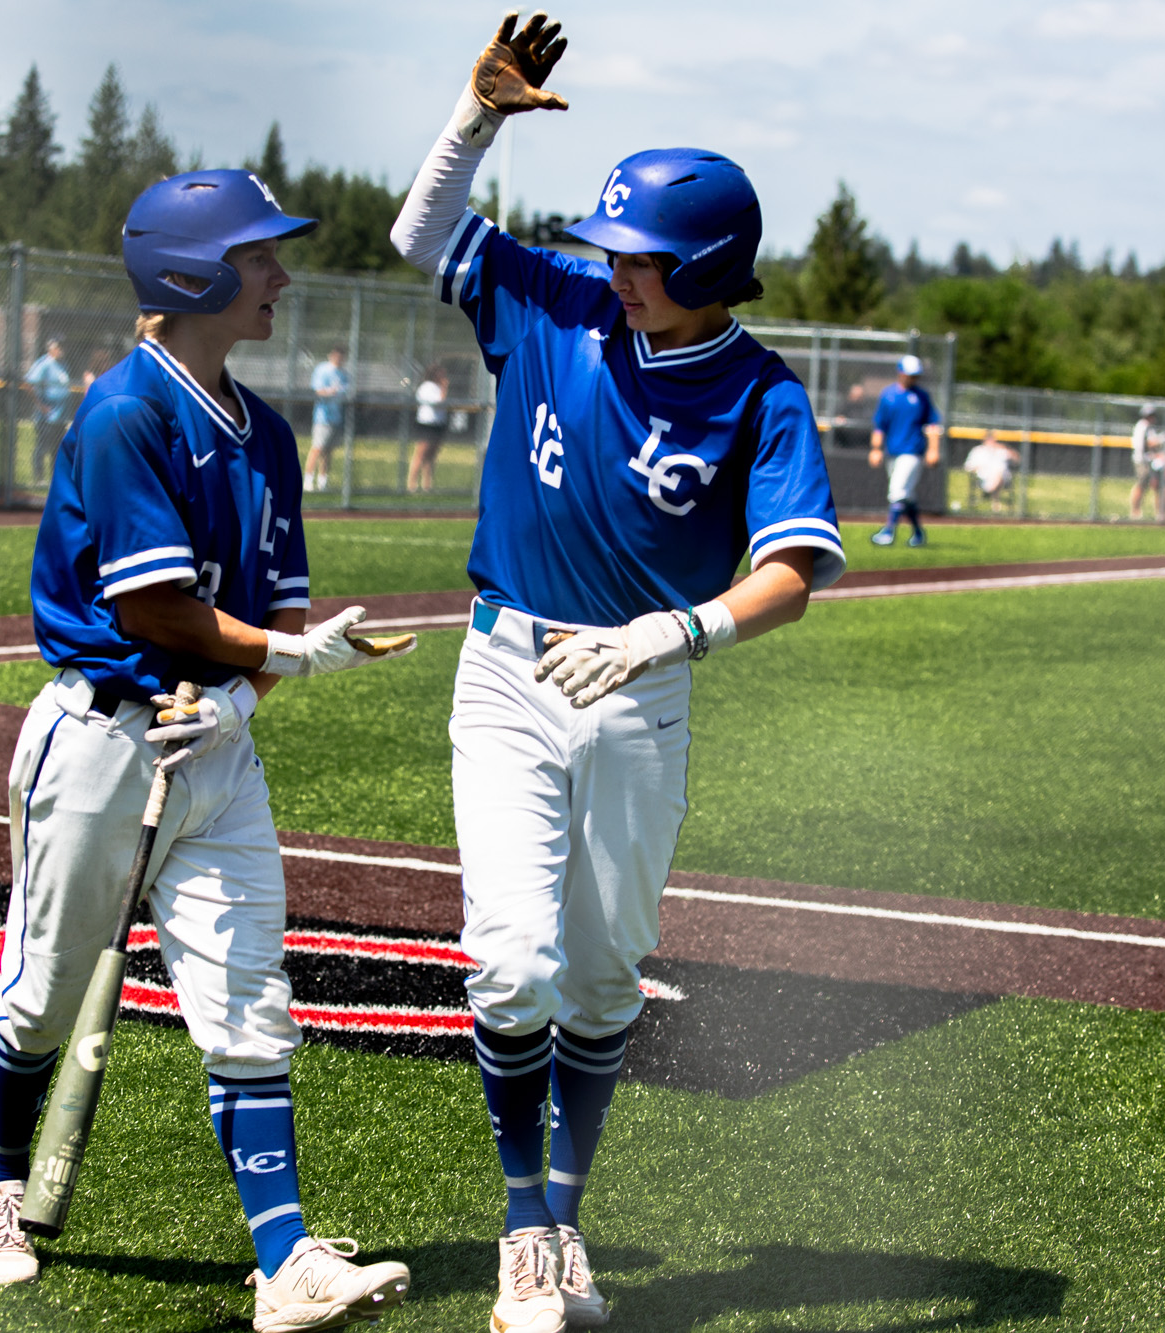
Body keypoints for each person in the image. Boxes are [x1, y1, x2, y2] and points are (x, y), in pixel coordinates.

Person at [389, 15, 844, 1331]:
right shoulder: (551, 303)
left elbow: (794, 570)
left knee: (601, 970)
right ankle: (527, 1228)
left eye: (638, 256)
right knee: (510, 960)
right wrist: (473, 122)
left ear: (708, 265)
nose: (614, 269)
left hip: (642, 687)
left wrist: (676, 631)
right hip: (508, 668)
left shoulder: (760, 394)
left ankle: (564, 1221)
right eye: (611, 250)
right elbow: (424, 238)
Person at [0, 168, 417, 1331]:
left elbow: (269, 618)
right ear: (193, 274)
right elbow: (155, 611)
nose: (279, 275)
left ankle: (283, 1262)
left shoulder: (266, 433)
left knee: (245, 998)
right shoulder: (126, 412)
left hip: (213, 752)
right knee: (36, 1002)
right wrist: (290, 657)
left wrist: (245, 702)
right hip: (102, 743)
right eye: (259, 257)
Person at [867, 353, 942, 546]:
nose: (913, 378)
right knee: (907, 495)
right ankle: (918, 533)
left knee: (897, 491)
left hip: (913, 452)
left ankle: (888, 532)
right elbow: (880, 425)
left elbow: (933, 424)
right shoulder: (888, 395)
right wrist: (876, 449)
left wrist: (933, 449)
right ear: (900, 373)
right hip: (893, 451)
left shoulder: (922, 397)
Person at [23, 336, 73, 482]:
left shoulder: (63, 364)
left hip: (61, 416)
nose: (62, 350)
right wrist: (41, 406)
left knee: (56, 449)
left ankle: (54, 478)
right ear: (52, 349)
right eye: (59, 347)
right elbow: (28, 383)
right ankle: (38, 478)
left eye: (63, 347)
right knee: (42, 447)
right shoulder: (44, 363)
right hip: (47, 416)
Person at [305, 346, 349, 492]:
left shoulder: (344, 373)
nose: (339, 358)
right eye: (336, 355)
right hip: (322, 417)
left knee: (329, 451)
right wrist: (331, 392)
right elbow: (318, 390)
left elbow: (346, 391)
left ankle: (323, 481)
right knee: (317, 448)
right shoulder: (322, 369)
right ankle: (308, 480)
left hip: (336, 418)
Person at [407, 362, 450, 493]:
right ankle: (411, 484)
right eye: (440, 373)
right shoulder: (427, 387)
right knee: (421, 454)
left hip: (438, 424)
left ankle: (427, 485)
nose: (443, 376)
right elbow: (438, 402)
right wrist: (445, 388)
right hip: (427, 424)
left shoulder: (438, 387)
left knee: (431, 456)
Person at [962, 427, 1020, 513]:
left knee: (1000, 470)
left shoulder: (1001, 450)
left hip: (1002, 479)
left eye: (992, 438)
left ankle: (991, 493)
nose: (991, 441)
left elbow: (1017, 460)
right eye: (988, 438)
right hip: (983, 478)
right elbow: (968, 466)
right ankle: (994, 498)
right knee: (996, 473)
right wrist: (977, 468)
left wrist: (1006, 448)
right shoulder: (978, 451)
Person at [1128, 403, 1164, 520]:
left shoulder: (1150, 427)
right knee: (1141, 485)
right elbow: (1147, 444)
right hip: (1142, 461)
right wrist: (1161, 440)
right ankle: (1135, 511)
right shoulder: (1142, 426)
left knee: (1154, 486)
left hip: (1149, 460)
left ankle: (1158, 513)